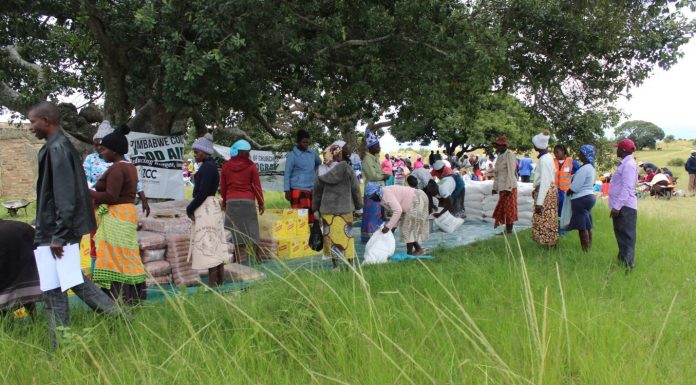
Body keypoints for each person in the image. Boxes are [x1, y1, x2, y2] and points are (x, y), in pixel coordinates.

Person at [29, 101, 118, 349]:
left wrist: (59, 234)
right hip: (56, 230)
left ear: (46, 121)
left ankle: (61, 344)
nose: (30, 127)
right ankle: (63, 343)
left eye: (32, 121)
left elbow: (65, 196)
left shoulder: (57, 149)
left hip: (57, 232)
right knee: (65, 283)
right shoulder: (57, 147)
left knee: (60, 286)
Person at [90, 124, 147, 304]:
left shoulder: (117, 169)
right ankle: (133, 298)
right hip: (127, 213)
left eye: (104, 149)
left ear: (114, 151)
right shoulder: (128, 166)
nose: (101, 153)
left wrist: (87, 192)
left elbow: (111, 196)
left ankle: (117, 300)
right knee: (127, 255)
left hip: (117, 215)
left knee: (114, 257)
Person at [186, 134, 228, 288]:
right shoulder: (209, 166)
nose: (195, 155)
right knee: (215, 244)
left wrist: (189, 208)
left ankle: (213, 284)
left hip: (206, 207)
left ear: (205, 152)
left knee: (209, 244)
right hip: (211, 207)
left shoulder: (208, 167)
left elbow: (202, 193)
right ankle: (220, 281)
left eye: (197, 152)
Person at [312, 144, 362, 268]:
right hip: (345, 209)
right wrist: (359, 205)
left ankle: (335, 266)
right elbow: (355, 189)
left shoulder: (320, 171)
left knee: (332, 239)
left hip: (328, 211)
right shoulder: (347, 169)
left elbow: (316, 192)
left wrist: (315, 209)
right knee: (347, 238)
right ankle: (351, 265)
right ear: (338, 154)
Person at [220, 139, 265, 264]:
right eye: (248, 152)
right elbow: (256, 186)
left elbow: (223, 187)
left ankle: (238, 259)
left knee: (233, 231)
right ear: (244, 153)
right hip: (248, 201)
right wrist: (261, 203)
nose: (249, 155)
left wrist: (224, 203)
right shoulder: (251, 166)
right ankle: (258, 257)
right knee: (252, 229)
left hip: (231, 201)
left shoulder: (226, 166)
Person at [367, 181, 430, 255]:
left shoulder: (385, 194)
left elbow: (398, 210)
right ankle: (418, 249)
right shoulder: (381, 196)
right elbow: (397, 212)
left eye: (372, 196)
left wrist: (388, 227)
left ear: (376, 193)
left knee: (408, 229)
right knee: (405, 228)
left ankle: (409, 254)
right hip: (411, 201)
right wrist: (392, 227)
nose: (372, 199)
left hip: (416, 199)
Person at [0, 220, 42, 315]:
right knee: (27, 300)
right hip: (28, 273)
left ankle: (9, 326)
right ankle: (35, 320)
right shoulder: (22, 226)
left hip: (7, 278)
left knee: (4, 303)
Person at [609, 138, 639, 270]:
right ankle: (622, 262)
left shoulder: (629, 165)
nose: (616, 150)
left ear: (622, 150)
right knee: (621, 235)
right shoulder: (626, 164)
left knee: (626, 237)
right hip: (622, 206)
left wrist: (617, 207)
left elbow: (627, 187)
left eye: (618, 148)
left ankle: (628, 265)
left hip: (625, 207)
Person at [284, 130, 321, 224]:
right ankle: (300, 237)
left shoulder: (312, 153)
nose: (306, 144)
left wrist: (315, 174)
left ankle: (310, 237)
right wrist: (287, 190)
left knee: (312, 217)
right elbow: (287, 173)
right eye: (303, 142)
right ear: (298, 142)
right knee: (300, 218)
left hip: (311, 189)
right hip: (297, 190)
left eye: (307, 142)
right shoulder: (292, 155)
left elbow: (319, 163)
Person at [566, 145, 596, 252]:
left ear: (585, 155)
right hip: (590, 197)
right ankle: (589, 248)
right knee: (587, 225)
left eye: (581, 153)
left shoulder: (584, 168)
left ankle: (585, 251)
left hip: (581, 198)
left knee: (582, 227)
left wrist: (569, 191)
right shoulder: (591, 167)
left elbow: (576, 186)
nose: (579, 155)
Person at [361, 131, 390, 242]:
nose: (379, 147)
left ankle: (376, 237)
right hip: (372, 191)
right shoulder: (367, 159)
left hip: (378, 190)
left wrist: (383, 176)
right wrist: (384, 176)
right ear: (371, 147)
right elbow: (372, 175)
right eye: (377, 146)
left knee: (378, 213)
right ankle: (370, 237)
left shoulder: (375, 158)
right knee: (372, 214)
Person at [531, 131, 559, 246]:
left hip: (546, 193)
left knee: (546, 220)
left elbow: (545, 182)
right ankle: (547, 244)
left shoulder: (545, 160)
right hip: (546, 191)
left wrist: (539, 202)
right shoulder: (545, 158)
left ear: (537, 146)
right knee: (546, 220)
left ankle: (548, 245)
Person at [491, 136, 518, 234]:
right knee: (503, 209)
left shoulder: (509, 155)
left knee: (509, 209)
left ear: (504, 145)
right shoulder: (499, 155)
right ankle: (507, 230)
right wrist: (495, 187)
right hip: (502, 187)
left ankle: (509, 231)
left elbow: (511, 172)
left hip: (509, 187)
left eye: (498, 145)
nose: (496, 147)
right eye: (496, 145)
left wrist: (508, 188)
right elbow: (497, 174)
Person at [553, 144, 580, 219]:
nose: (555, 154)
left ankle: (562, 228)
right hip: (554, 191)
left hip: (565, 192)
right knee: (554, 211)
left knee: (564, 212)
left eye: (557, 152)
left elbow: (580, 173)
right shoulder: (552, 162)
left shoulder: (571, 162)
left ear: (563, 151)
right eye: (554, 152)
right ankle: (554, 227)